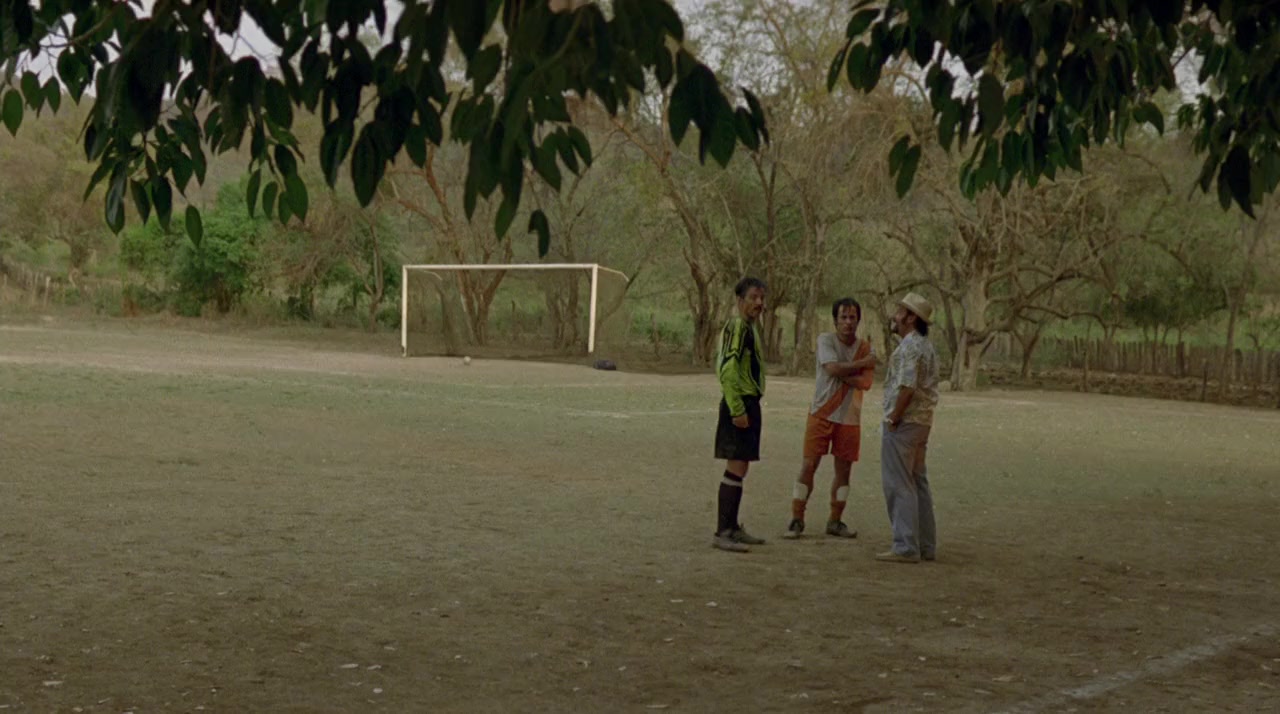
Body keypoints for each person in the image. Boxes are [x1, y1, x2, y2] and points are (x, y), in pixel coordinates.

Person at [784, 298, 876, 539]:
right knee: (809, 465)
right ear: (835, 320)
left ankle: (835, 519)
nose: (848, 322)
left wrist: (843, 371)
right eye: (843, 317)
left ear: (858, 320)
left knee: (844, 470)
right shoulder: (825, 340)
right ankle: (797, 518)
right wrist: (858, 365)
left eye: (852, 317)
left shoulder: (865, 347)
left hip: (849, 418)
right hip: (822, 412)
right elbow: (831, 368)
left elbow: (866, 382)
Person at [876, 292, 941, 563]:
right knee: (918, 481)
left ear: (911, 317)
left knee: (899, 482)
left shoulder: (909, 347)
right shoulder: (926, 346)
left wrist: (893, 417)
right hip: (922, 422)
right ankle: (926, 544)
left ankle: (905, 545)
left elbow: (907, 387)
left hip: (905, 423)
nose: (895, 316)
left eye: (900, 311)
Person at [711, 277, 769, 553]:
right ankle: (723, 531)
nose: (758, 303)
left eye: (761, 298)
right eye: (753, 297)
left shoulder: (750, 328)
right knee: (735, 465)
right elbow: (727, 368)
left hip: (749, 403)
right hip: (740, 404)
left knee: (741, 466)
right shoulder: (736, 327)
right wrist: (737, 409)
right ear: (740, 300)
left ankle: (732, 526)